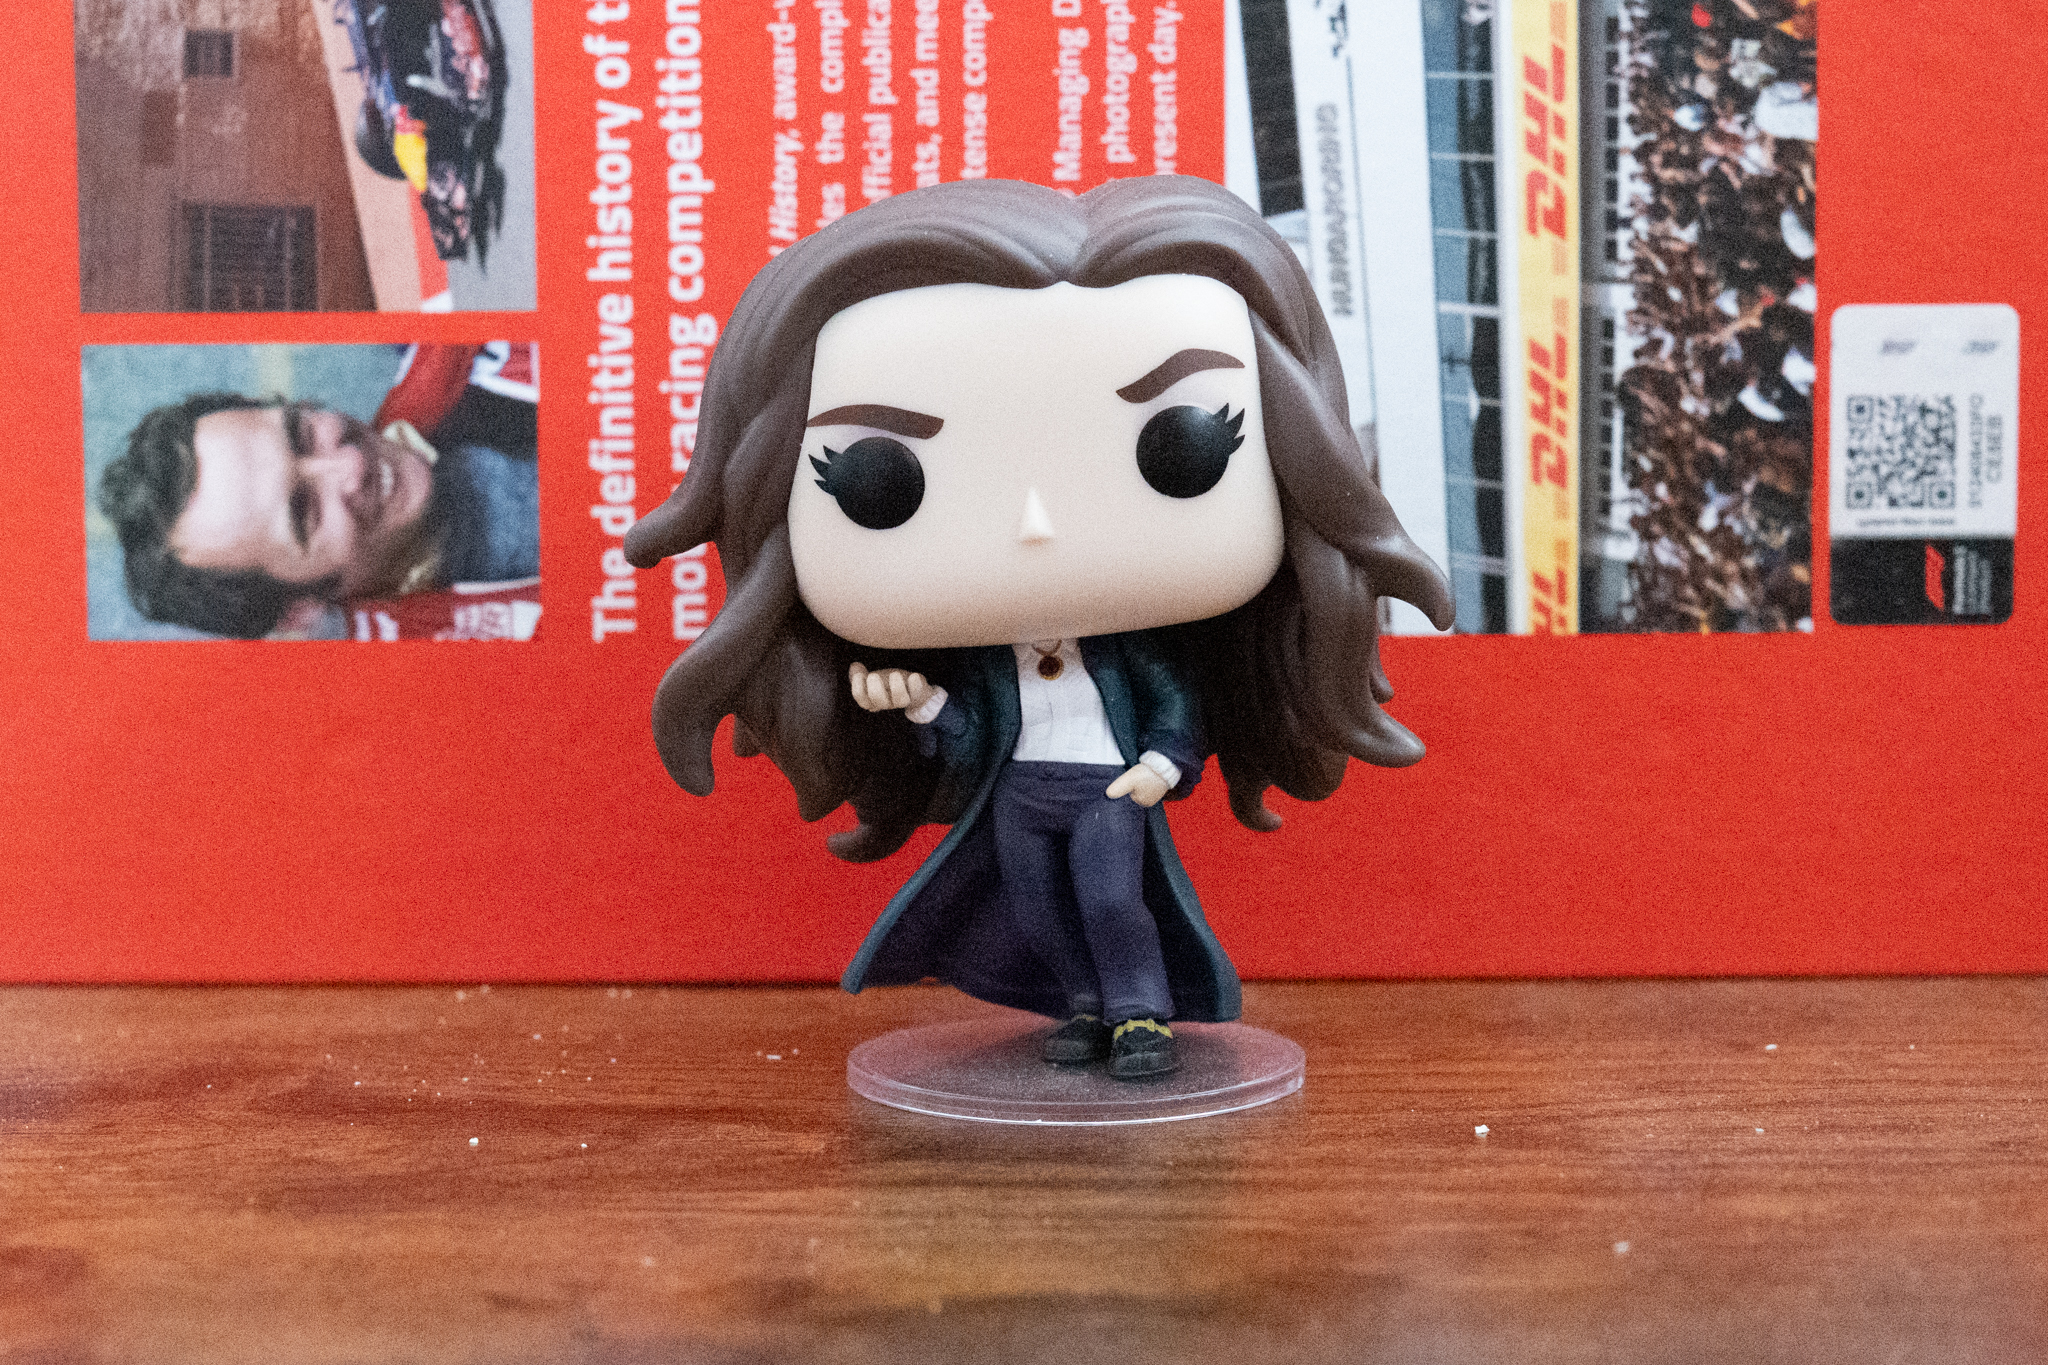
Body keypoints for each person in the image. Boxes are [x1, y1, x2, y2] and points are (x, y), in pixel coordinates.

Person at [624, 177, 1453, 1078]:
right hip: (1021, 795)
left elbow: (1173, 703)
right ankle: (1086, 1004)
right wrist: (920, 702)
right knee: (1038, 906)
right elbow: (971, 731)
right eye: (877, 477)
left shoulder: (1133, 653)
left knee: (1112, 899)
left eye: (1183, 446)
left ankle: (1138, 1013)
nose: (1035, 526)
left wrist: (1165, 762)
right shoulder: (991, 666)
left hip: (1110, 791)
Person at [99, 342, 538, 640]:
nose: (351, 464)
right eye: (304, 510)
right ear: (299, 611)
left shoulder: (448, 346)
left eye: (301, 435)